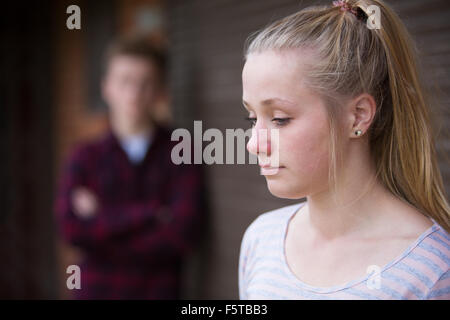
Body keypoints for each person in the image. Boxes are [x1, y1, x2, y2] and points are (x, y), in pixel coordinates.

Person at [238, 0, 450, 300]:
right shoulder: (261, 240)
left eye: (280, 119)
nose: (253, 143)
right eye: (251, 118)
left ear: (359, 115)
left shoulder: (432, 270)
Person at [54, 36, 205, 299]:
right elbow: (71, 230)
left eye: (145, 83)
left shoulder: (182, 151)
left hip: (158, 293)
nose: (134, 93)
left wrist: (103, 221)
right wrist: (152, 213)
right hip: (97, 292)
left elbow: (182, 235)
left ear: (160, 91)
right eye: (124, 81)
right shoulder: (83, 156)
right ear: (106, 87)